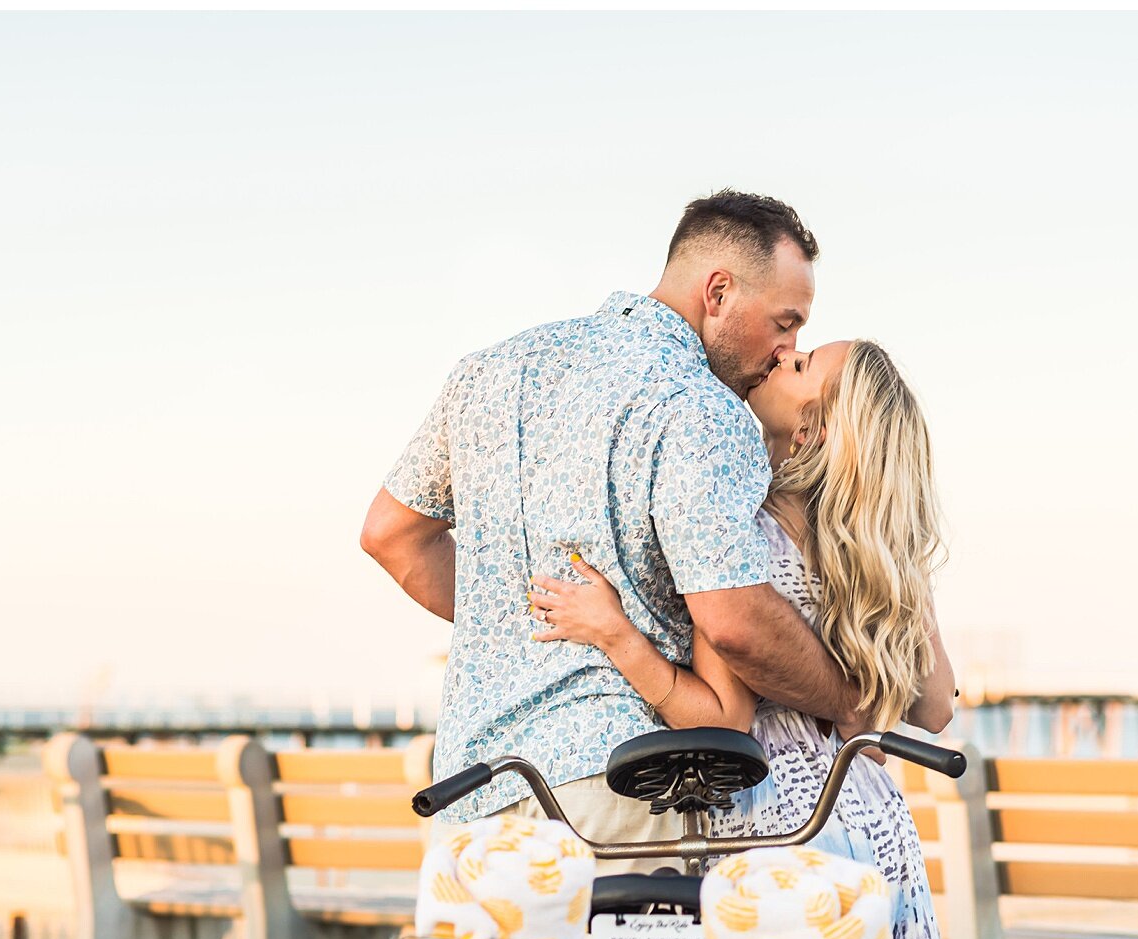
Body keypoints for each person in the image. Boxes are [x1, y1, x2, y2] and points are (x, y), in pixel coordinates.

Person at [360, 190, 875, 874]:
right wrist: (846, 698)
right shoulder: (702, 407)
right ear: (717, 292)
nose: (787, 349)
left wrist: (521, 621)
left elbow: (391, 535)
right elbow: (735, 621)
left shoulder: (489, 370)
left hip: (470, 794)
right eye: (785, 322)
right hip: (620, 795)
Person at [526, 338, 955, 939]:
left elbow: (721, 715)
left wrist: (616, 635)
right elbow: (936, 706)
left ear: (809, 431)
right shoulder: (876, 551)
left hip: (777, 840)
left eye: (803, 365)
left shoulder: (743, 543)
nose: (784, 357)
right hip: (876, 832)